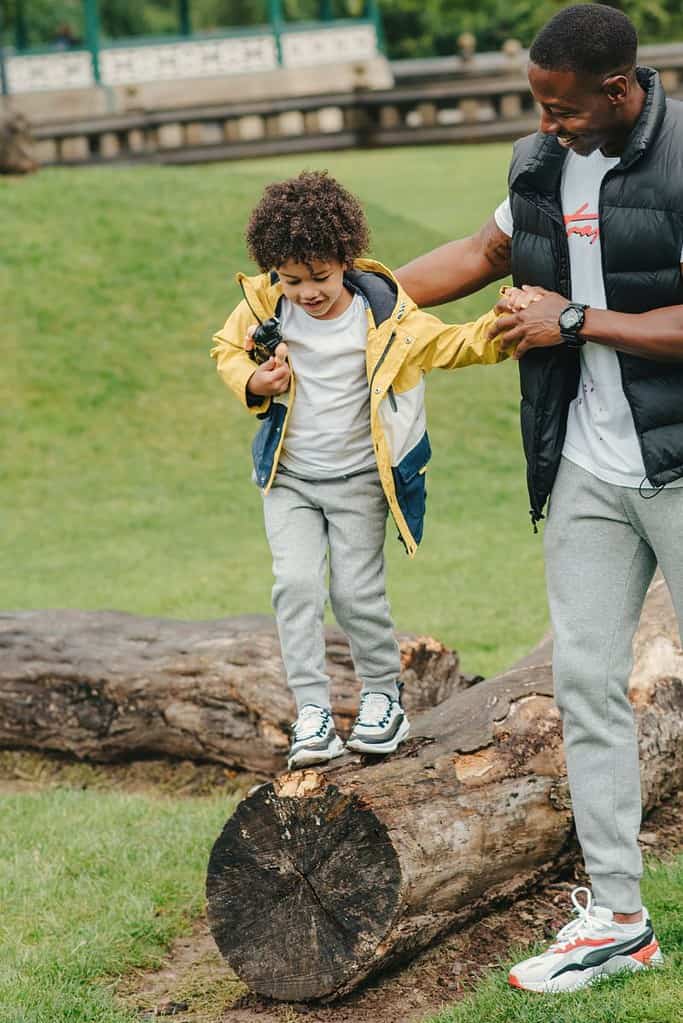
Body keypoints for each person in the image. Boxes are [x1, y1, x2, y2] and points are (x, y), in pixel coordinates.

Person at [396, 2, 681, 996]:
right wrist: (350, 295)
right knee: (585, 688)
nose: (545, 123)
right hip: (586, 471)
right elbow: (477, 258)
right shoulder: (535, 166)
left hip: (678, 464)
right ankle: (616, 923)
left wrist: (572, 319)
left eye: (559, 109)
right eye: (536, 106)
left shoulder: (682, 154)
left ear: (617, 89)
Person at [211, 171, 508, 771]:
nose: (306, 293)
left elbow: (454, 344)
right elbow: (226, 349)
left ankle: (381, 697)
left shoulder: (387, 318)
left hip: (358, 482)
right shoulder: (264, 305)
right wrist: (252, 378)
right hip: (290, 480)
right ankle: (312, 712)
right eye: (291, 281)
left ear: (346, 260)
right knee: (295, 587)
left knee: (355, 593)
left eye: (318, 278)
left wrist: (505, 327)